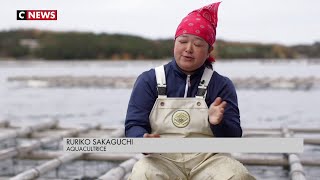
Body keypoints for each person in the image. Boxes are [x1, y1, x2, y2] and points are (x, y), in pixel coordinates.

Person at [125, 2, 256, 180]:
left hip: (209, 160)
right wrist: (142, 139)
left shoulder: (222, 85)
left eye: (198, 44)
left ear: (209, 50)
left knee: (236, 175)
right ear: (174, 43)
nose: (188, 49)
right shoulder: (149, 80)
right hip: (161, 159)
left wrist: (217, 122)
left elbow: (233, 137)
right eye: (183, 41)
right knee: (143, 173)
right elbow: (133, 125)